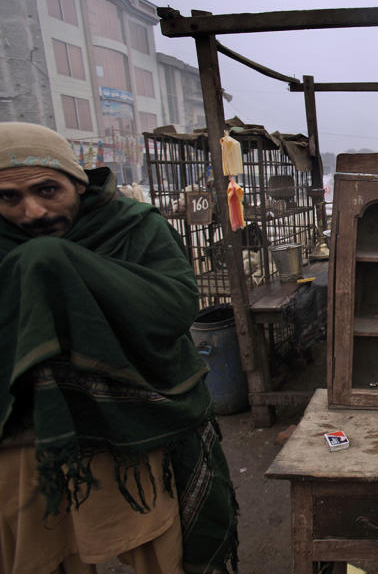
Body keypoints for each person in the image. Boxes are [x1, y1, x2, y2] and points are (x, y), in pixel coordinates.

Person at [0, 123, 238, 573]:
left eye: (47, 190)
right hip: (27, 439)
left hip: (133, 425)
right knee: (40, 556)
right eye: (9, 198)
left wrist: (64, 268)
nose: (32, 212)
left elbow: (175, 306)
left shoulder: (131, 227)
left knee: (159, 549)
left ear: (77, 182)